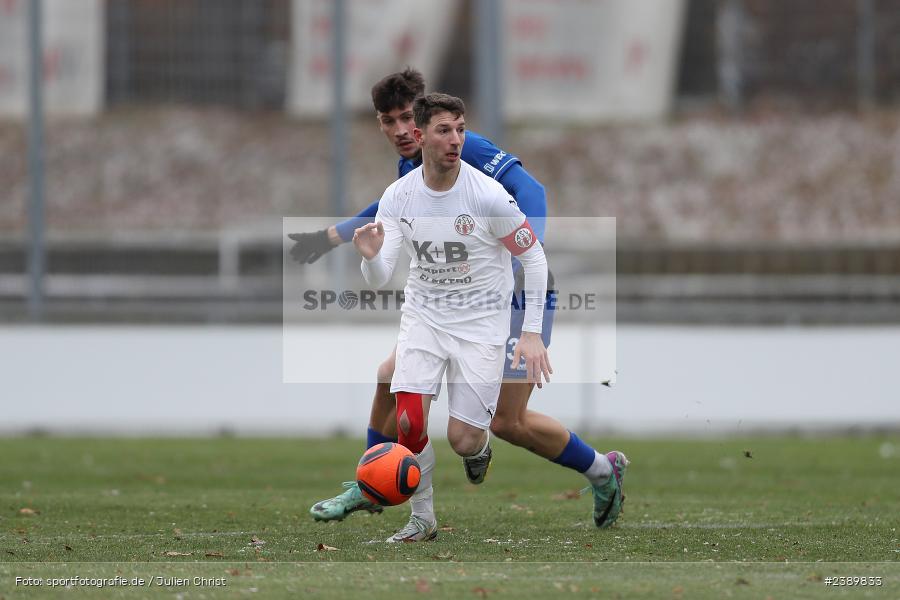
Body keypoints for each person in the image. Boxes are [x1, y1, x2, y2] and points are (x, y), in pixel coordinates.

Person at [291, 69, 627, 531]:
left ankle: (603, 471)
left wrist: (523, 257)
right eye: (387, 121)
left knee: (508, 423)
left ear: (426, 118)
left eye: (407, 118)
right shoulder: (412, 168)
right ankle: (374, 480)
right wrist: (332, 236)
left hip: (510, 293)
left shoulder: (466, 150)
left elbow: (532, 192)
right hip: (449, 301)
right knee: (391, 377)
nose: (399, 131)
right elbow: (387, 214)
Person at [354, 92, 553, 541]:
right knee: (409, 422)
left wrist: (533, 334)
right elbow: (381, 275)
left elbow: (535, 259)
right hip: (423, 317)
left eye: (461, 129)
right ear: (421, 136)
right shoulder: (399, 197)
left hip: (481, 324)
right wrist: (368, 258)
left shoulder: (489, 197)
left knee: (463, 438)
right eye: (445, 130)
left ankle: (478, 450)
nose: (456, 140)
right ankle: (422, 520)